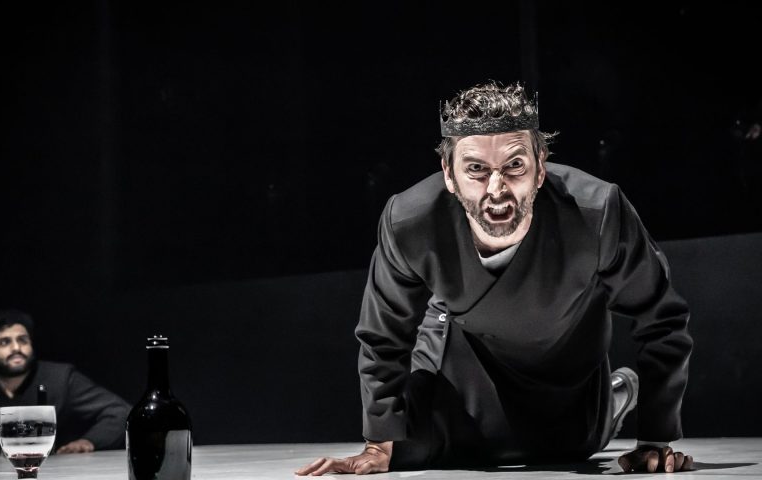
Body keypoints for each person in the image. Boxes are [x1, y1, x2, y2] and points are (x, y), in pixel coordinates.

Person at [296, 82, 694, 475]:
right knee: (407, 447)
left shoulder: (597, 212)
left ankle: (615, 395)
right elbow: (383, 334)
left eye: (515, 165)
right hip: (460, 354)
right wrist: (377, 444)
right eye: (476, 169)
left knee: (570, 449)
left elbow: (662, 317)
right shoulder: (409, 221)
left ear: (540, 167)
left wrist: (656, 439)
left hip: (564, 371)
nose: (497, 188)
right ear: (449, 176)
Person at [0, 309, 131, 457]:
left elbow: (120, 411)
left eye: (23, 340)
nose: (16, 348)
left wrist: (88, 441)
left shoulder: (59, 378)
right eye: (4, 342)